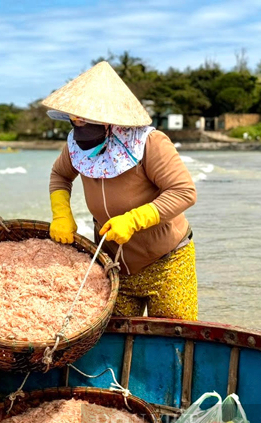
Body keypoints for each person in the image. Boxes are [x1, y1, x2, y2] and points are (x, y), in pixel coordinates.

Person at [44, 62, 198, 321]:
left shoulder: (149, 143)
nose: (79, 124)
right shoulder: (75, 145)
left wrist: (134, 219)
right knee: (114, 337)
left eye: (87, 117)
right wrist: (61, 214)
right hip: (112, 264)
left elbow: (183, 192)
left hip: (166, 262)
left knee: (173, 338)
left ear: (110, 119)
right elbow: (60, 176)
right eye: (75, 118)